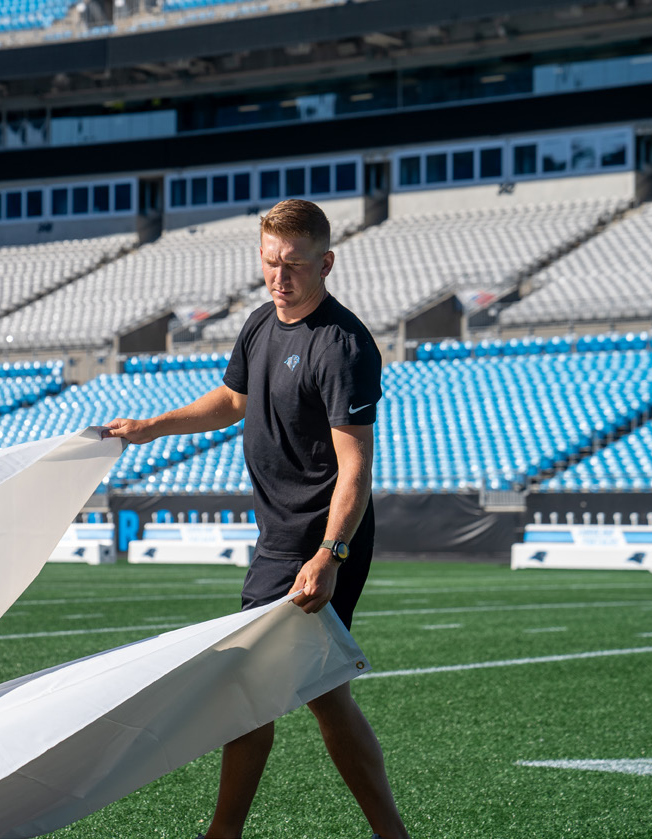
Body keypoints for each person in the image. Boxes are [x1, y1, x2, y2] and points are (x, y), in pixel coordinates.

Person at [103, 199, 408, 839]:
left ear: (325, 263)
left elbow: (356, 468)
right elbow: (233, 400)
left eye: (294, 265)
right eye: (270, 262)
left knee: (244, 682)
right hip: (279, 537)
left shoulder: (344, 345)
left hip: (319, 539)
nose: (279, 277)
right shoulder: (259, 323)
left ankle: (224, 834)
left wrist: (330, 555)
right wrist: (154, 427)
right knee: (324, 695)